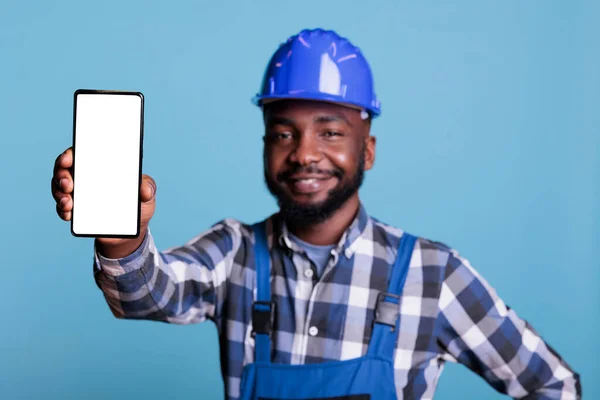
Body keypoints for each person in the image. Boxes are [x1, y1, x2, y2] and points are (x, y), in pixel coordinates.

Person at [51, 28, 581, 400]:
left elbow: (553, 385)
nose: (304, 153)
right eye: (284, 133)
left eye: (330, 132)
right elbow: (146, 296)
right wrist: (123, 235)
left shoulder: (432, 275)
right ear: (265, 145)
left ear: (367, 149)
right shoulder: (234, 253)